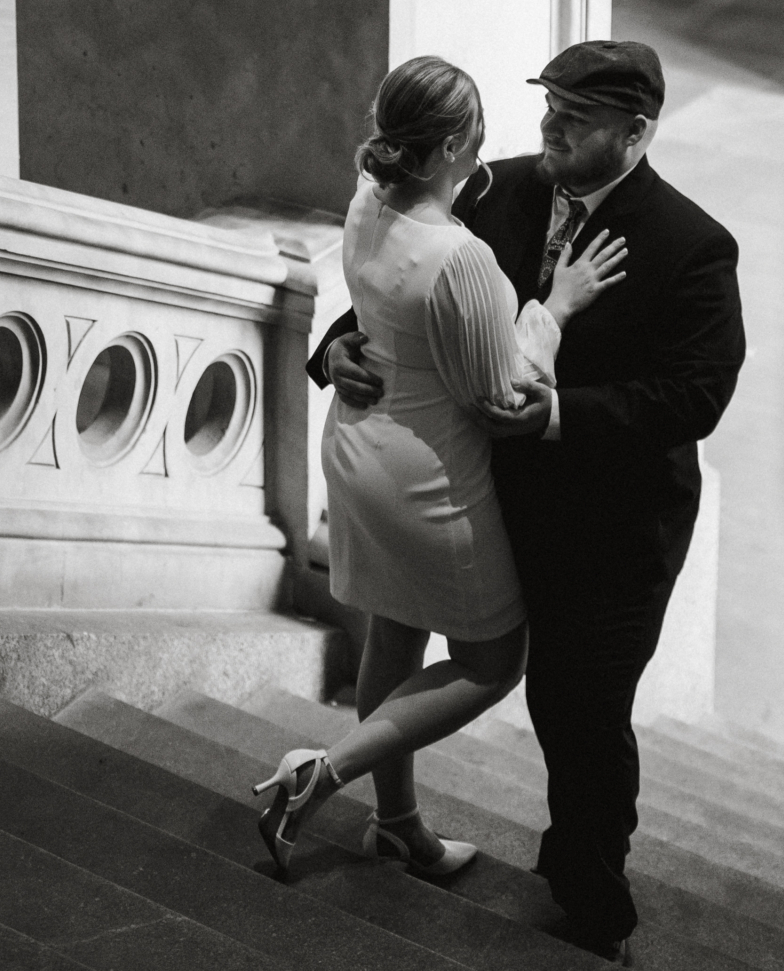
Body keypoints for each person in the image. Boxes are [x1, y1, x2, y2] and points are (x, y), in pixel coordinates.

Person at [314, 39, 745, 963]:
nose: (547, 126)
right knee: (406, 637)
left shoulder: (690, 245)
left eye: (573, 116)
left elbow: (694, 397)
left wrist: (557, 418)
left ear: (633, 134)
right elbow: (402, 285)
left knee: (578, 710)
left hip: (611, 527)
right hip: (483, 498)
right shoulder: (495, 187)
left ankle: (592, 900)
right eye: (547, 104)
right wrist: (334, 351)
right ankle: (396, 821)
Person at [253, 54, 630, 880]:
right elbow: (499, 396)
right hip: (426, 476)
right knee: (494, 660)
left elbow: (379, 313)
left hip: (357, 446)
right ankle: (323, 774)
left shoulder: (365, 202)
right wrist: (556, 308)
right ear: (461, 142)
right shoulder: (458, 258)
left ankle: (397, 827)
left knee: (395, 630)